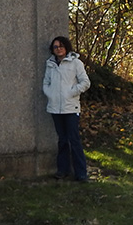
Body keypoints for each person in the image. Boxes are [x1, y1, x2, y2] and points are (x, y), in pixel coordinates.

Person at [43, 35, 91, 181]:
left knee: (74, 140)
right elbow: (46, 82)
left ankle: (81, 173)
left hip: (71, 108)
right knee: (62, 140)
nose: (58, 49)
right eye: (56, 47)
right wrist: (50, 94)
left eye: (61, 46)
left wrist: (71, 92)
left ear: (66, 47)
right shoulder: (50, 64)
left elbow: (85, 82)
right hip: (55, 108)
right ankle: (62, 170)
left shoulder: (76, 63)